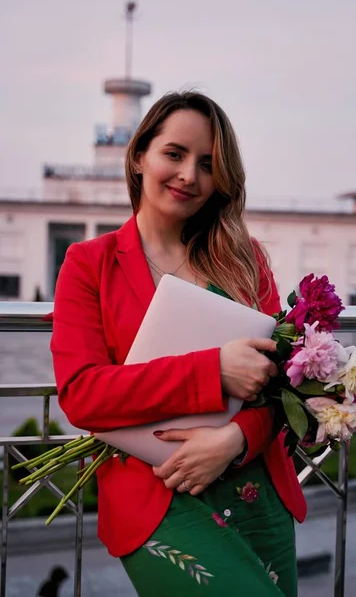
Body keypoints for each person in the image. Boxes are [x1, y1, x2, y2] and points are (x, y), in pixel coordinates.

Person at [51, 91, 307, 596]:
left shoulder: (243, 258)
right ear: (139, 155)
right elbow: (82, 393)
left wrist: (233, 442)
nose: (190, 174)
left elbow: (282, 381)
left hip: (253, 482)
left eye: (208, 164)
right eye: (175, 154)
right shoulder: (90, 263)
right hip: (157, 495)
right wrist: (212, 371)